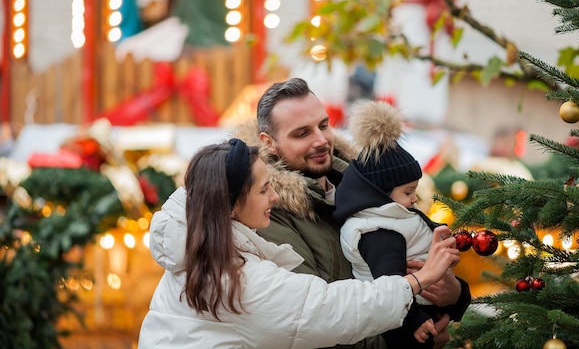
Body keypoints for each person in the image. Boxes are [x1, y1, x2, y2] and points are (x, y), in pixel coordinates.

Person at [138, 138, 460, 348]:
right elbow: (325, 308)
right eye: (264, 189)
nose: (275, 197)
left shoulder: (199, 245)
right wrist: (420, 279)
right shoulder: (234, 278)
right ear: (232, 203)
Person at [247, 77, 471, 349]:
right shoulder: (268, 214)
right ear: (269, 142)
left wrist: (455, 294)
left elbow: (414, 247)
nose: (320, 140)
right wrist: (408, 342)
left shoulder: (369, 182)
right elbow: (311, 322)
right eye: (302, 133)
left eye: (323, 125)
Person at [333, 101, 470, 349]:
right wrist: (413, 320)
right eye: (408, 192)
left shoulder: (391, 217)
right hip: (401, 323)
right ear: (381, 194)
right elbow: (390, 285)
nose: (414, 199)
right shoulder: (381, 232)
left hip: (422, 305)